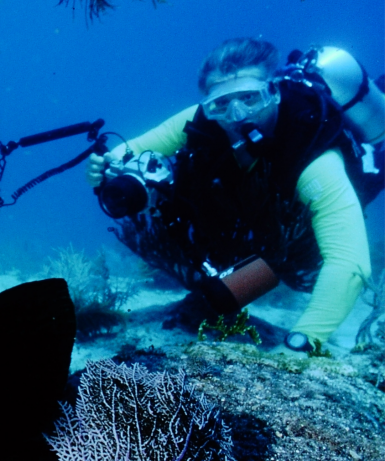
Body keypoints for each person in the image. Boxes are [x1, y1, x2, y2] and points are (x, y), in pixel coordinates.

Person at [88, 38, 382, 351]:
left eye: (250, 98)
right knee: (217, 297)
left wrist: (303, 341)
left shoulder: (313, 156)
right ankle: (238, 286)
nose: (237, 115)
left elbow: (349, 263)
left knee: (287, 254)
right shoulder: (202, 119)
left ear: (273, 92)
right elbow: (127, 152)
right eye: (221, 104)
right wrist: (102, 170)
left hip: (308, 220)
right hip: (261, 231)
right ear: (208, 104)